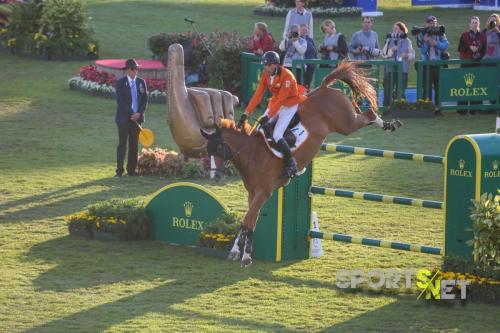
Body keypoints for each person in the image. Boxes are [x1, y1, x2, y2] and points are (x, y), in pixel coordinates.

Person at [237, 51, 307, 178]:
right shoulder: (266, 74)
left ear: (276, 65)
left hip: (289, 105)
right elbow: (258, 94)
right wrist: (246, 114)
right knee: (258, 130)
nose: (266, 68)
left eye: (268, 65)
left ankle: (292, 164)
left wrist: (268, 117)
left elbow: (282, 101)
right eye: (264, 65)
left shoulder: (288, 77)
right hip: (275, 103)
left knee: (277, 134)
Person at [115, 59, 149, 177]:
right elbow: (121, 101)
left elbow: (145, 99)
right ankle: (119, 170)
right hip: (124, 119)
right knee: (122, 144)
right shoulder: (120, 83)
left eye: (137, 69)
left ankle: (131, 170)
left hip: (137, 119)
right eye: (134, 69)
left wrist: (139, 113)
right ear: (128, 70)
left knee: (134, 145)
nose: (136, 71)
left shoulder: (141, 82)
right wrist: (131, 114)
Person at [416, 15, 449, 110]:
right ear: (426, 24)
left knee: (439, 87)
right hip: (427, 64)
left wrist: (436, 44)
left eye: (434, 22)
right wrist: (426, 42)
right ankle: (427, 109)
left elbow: (446, 45)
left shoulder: (440, 32)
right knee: (427, 88)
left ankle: (439, 109)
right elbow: (422, 51)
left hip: (438, 64)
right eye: (430, 23)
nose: (432, 24)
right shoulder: (422, 34)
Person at [457, 16, 486, 115]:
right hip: (466, 64)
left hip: (477, 64)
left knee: (477, 87)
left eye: (476, 22)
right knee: (463, 87)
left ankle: (476, 109)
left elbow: (484, 50)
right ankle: (462, 110)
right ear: (469, 24)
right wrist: (470, 47)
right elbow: (460, 48)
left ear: (479, 24)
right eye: (473, 22)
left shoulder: (482, 35)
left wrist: (478, 53)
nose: (474, 24)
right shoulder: (464, 35)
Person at [381, 21, 414, 107]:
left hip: (402, 70)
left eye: (396, 29)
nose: (394, 30)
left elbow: (412, 55)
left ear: (402, 31)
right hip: (389, 69)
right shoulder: (389, 40)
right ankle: (386, 109)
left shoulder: (407, 41)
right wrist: (391, 50)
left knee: (401, 91)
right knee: (387, 90)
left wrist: (405, 55)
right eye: (393, 29)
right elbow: (383, 54)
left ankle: (400, 109)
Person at [482, 13, 500, 114]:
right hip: (487, 61)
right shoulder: (485, 31)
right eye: (492, 20)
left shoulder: (499, 31)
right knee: (488, 84)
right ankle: (490, 105)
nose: (493, 22)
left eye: (495, 20)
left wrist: (498, 32)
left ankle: (496, 105)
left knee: (497, 84)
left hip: (497, 61)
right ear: (489, 21)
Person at [299, 23, 317, 89]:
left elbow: (314, 51)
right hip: (303, 64)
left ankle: (307, 93)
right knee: (302, 82)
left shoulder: (310, 39)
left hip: (312, 64)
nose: (305, 31)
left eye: (306, 30)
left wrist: (315, 60)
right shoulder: (298, 39)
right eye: (303, 30)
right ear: (299, 30)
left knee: (308, 83)